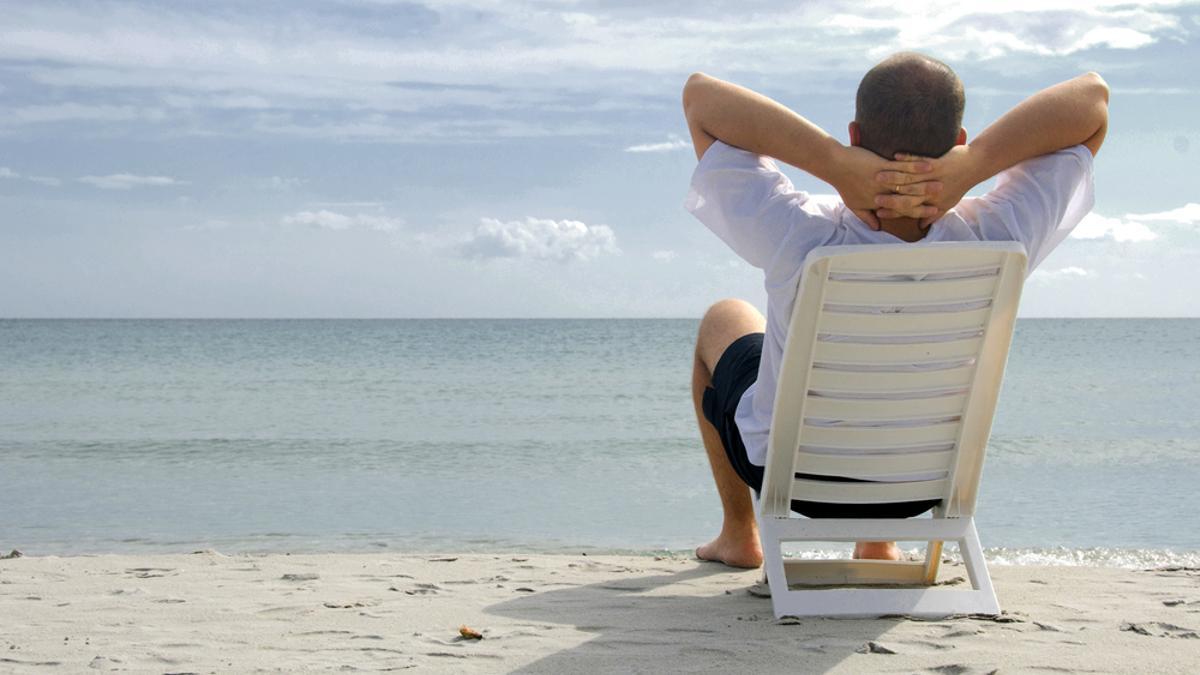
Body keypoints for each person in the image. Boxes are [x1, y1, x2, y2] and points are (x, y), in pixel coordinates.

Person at [683, 52, 1109, 568]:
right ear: (957, 141)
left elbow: (701, 98)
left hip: (791, 478)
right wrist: (973, 166)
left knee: (725, 316)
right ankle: (880, 541)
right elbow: (1093, 101)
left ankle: (739, 536)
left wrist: (833, 162)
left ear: (855, 134)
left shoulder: (800, 233)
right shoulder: (999, 237)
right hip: (921, 484)